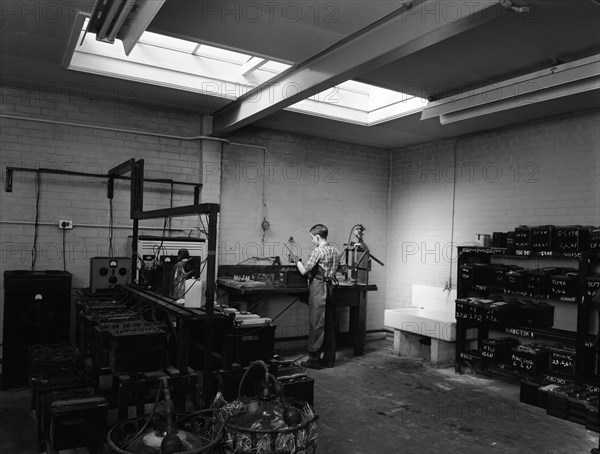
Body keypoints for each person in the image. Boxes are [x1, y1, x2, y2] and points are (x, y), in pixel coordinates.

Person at [291, 224, 341, 369]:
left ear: (318, 237)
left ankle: (314, 360)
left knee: (316, 323)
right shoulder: (335, 250)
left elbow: (305, 271)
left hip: (319, 289)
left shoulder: (318, 251)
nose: (312, 240)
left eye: (312, 237)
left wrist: (297, 261)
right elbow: (341, 268)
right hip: (331, 288)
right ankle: (329, 359)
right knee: (330, 324)